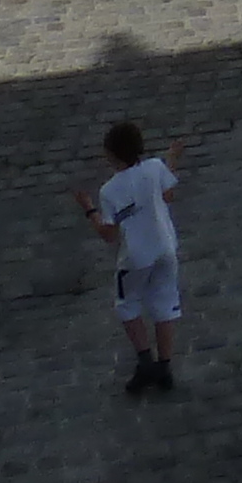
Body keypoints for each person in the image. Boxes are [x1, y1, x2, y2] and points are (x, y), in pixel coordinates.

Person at [72, 119, 187, 395]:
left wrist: (89, 209)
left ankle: (144, 360)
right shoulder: (155, 168)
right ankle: (165, 366)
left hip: (136, 256)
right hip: (166, 247)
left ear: (111, 155)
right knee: (165, 302)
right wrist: (171, 158)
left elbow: (109, 234)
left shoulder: (110, 191)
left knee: (128, 305)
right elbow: (168, 194)